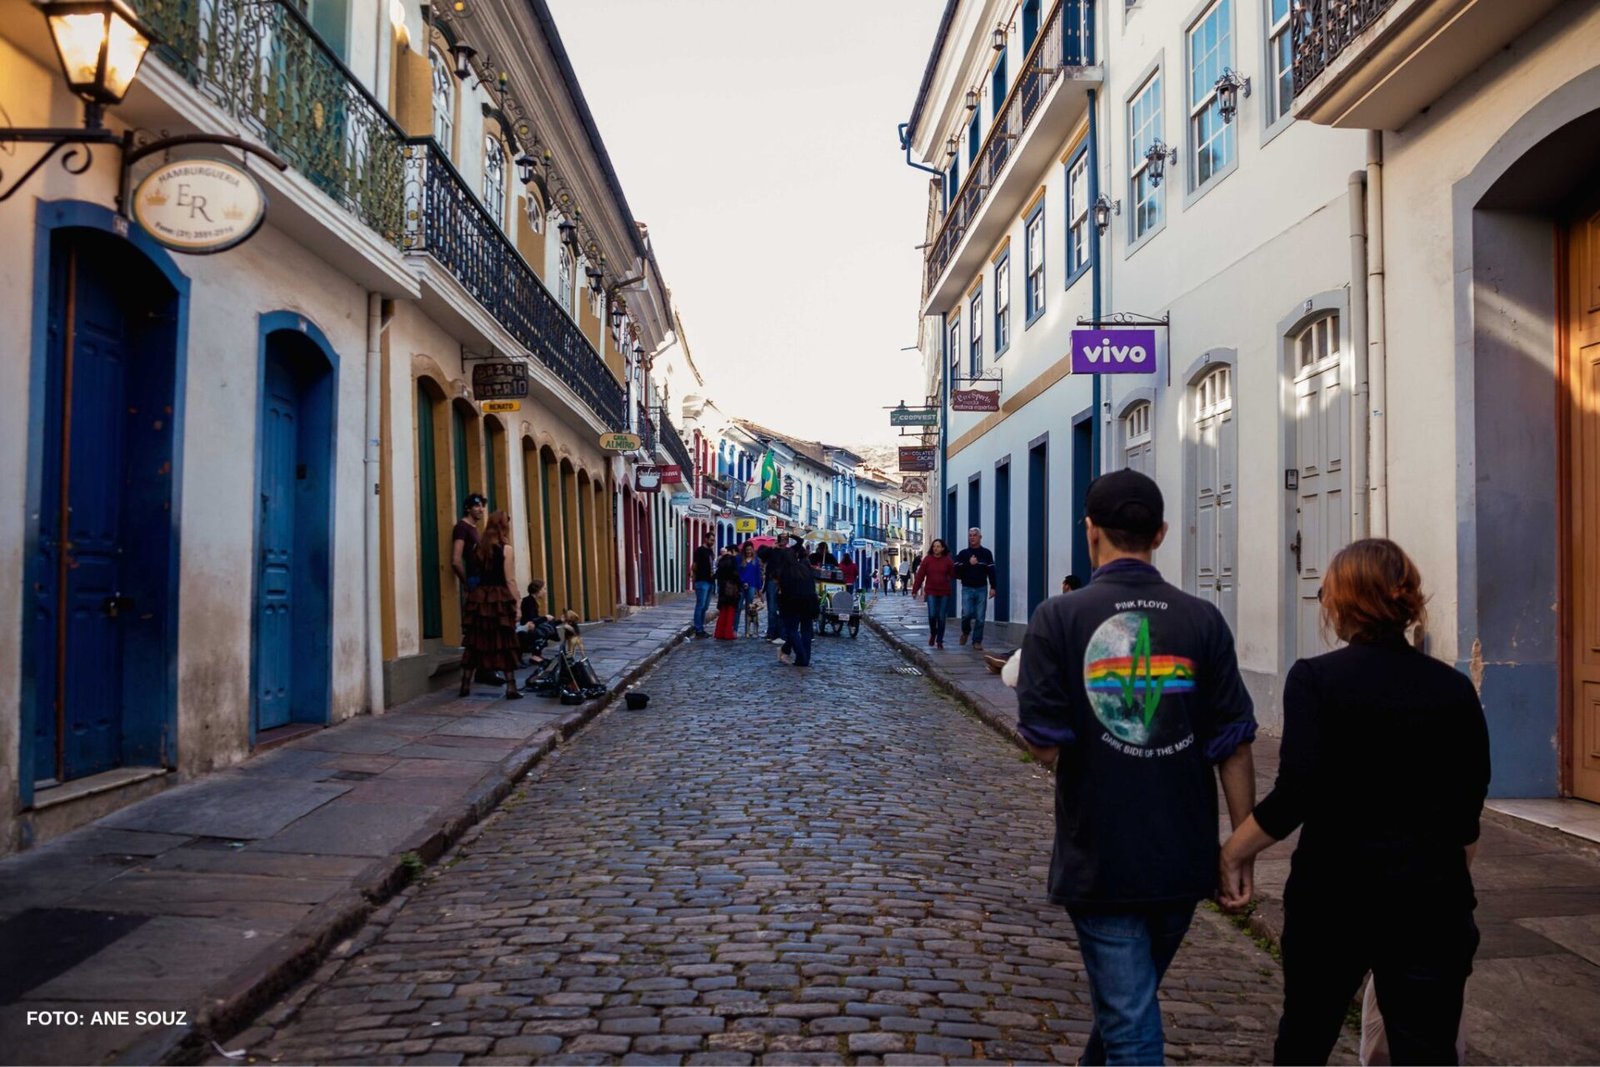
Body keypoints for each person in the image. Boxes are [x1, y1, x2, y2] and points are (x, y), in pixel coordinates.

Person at [1015, 469, 1257, 1066]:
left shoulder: (1059, 618)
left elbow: (1044, 746)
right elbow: (1234, 743)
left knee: (1129, 1023)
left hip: (1101, 852)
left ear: (1091, 532)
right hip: (1182, 853)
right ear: (1162, 534)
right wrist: (1239, 847)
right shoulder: (1202, 619)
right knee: (1130, 1006)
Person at [1219, 539, 1489, 1066]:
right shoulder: (1453, 689)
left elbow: (1296, 792)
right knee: (1427, 1049)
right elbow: (1467, 810)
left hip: (1334, 896)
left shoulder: (1316, 680)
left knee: (1306, 1036)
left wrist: (1233, 851)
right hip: (1431, 899)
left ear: (1344, 601)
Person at [459, 510, 522, 700]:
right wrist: (518, 603)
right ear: (503, 526)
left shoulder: (478, 547)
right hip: (499, 598)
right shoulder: (506, 549)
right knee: (504, 642)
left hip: (480, 598)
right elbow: (509, 579)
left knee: (475, 642)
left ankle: (465, 684)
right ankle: (511, 687)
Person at [775, 540, 819, 666]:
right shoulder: (804, 568)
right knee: (806, 631)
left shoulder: (785, 572)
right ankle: (805, 658)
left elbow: (784, 592)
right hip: (809, 602)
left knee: (792, 630)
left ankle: (802, 657)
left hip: (793, 603)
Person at [955, 527, 998, 650]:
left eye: (974, 535)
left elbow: (991, 570)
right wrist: (968, 563)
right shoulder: (963, 554)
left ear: (980, 537)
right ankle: (965, 631)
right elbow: (956, 570)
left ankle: (977, 641)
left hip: (981, 588)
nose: (972, 537)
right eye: (970, 535)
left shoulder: (986, 553)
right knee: (967, 613)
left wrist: (993, 587)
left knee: (980, 617)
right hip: (967, 587)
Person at [911, 539, 956, 649]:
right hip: (931, 591)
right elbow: (920, 576)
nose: (936, 548)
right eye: (934, 546)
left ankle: (940, 640)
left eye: (938, 546)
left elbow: (953, 573)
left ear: (943, 548)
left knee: (941, 617)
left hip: (944, 592)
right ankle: (933, 633)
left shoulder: (947, 560)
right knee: (932, 615)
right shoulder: (927, 560)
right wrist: (915, 590)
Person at [691, 532, 715, 637]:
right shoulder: (700, 551)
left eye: (713, 540)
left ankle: (701, 627)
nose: (712, 542)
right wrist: (694, 577)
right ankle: (698, 629)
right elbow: (694, 565)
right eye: (711, 540)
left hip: (710, 581)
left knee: (705, 607)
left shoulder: (710, 551)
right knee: (700, 606)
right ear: (705, 539)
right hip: (701, 581)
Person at [713, 552, 741, 640]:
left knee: (723, 614)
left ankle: (719, 633)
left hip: (723, 593)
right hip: (731, 594)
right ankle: (728, 633)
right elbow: (737, 580)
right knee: (730, 614)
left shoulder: (720, 570)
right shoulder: (733, 571)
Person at [737, 541, 762, 622]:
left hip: (751, 586)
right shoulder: (739, 559)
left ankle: (747, 630)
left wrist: (759, 588)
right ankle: (734, 629)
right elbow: (737, 572)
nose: (749, 551)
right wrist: (742, 582)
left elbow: (757, 575)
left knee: (749, 609)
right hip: (741, 586)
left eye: (750, 549)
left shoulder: (756, 560)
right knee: (738, 607)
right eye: (747, 550)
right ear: (744, 550)